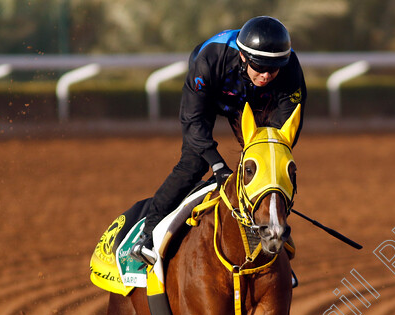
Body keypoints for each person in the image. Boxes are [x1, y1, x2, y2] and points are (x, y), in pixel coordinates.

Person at [131, 16, 307, 265]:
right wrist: (218, 166)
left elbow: (286, 129)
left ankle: (270, 232)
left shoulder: (289, 67)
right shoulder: (211, 59)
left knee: (262, 161)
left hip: (251, 101)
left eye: (273, 70)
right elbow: (194, 126)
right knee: (194, 163)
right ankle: (147, 234)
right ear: (245, 58)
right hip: (211, 92)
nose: (267, 75)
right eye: (260, 67)